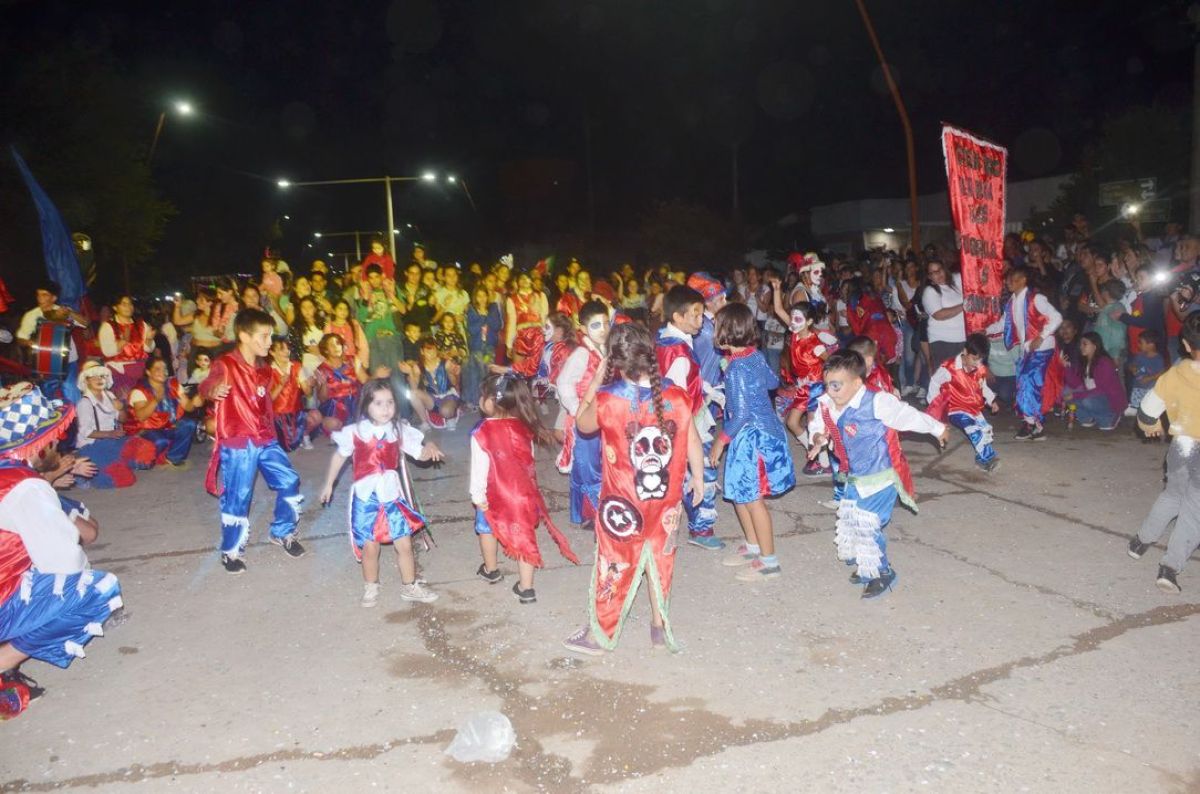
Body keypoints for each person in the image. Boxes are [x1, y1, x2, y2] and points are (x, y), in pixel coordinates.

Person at [561, 322, 704, 655]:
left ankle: (600, 635)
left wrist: (596, 380)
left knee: (614, 563)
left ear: (615, 361)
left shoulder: (608, 399)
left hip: (622, 506)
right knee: (661, 558)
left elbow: (582, 424)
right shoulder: (676, 396)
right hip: (666, 502)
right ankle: (658, 627)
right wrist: (698, 478)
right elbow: (692, 439)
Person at [0, 381, 123, 715]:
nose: (59, 442)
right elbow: (65, 563)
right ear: (37, 444)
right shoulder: (26, 487)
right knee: (95, 589)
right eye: (53, 436)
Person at [808, 350, 948, 598]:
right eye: (827, 384)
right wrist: (818, 437)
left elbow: (908, 416)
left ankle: (883, 572)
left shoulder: (877, 402)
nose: (831, 391)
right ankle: (867, 565)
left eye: (837, 385)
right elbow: (818, 424)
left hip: (880, 476)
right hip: (854, 475)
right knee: (852, 517)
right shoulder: (827, 402)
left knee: (867, 524)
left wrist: (937, 429)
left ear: (857, 383)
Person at [319, 379, 443, 607]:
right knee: (370, 547)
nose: (386, 408)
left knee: (404, 544)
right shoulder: (355, 432)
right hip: (365, 499)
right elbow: (339, 456)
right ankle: (371, 585)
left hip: (392, 496)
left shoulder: (398, 430)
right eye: (378, 403)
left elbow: (419, 453)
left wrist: (430, 447)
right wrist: (329, 484)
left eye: (390, 402)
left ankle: (409, 586)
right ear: (366, 405)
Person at [199, 308, 306, 573]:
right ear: (244, 336)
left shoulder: (264, 369)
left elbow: (264, 402)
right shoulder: (225, 364)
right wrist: (213, 390)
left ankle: (282, 531)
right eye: (264, 336)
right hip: (238, 439)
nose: (270, 342)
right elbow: (206, 386)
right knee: (238, 495)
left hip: (264, 437)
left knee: (289, 480)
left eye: (270, 336)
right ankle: (231, 551)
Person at [471, 373, 579, 604]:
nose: (480, 399)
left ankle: (491, 570)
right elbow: (528, 461)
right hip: (522, 494)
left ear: (492, 401)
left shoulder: (481, 432)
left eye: (483, 395)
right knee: (525, 536)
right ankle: (526, 588)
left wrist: (477, 496)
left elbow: (480, 468)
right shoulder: (523, 427)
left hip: (493, 495)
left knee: (486, 530)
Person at [708, 304, 796, 581]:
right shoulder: (752, 355)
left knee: (753, 498)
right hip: (753, 432)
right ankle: (752, 546)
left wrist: (720, 442)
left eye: (716, 326)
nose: (713, 331)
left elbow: (742, 413)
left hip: (752, 436)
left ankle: (769, 562)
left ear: (727, 331)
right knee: (738, 492)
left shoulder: (737, 367)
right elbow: (772, 381)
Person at [1128, 313, 1200, 593]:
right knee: (1195, 510)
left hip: (1182, 447)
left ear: (1185, 344)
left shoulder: (1175, 375)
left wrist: (1152, 426)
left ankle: (1140, 541)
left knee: (1172, 496)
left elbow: (1146, 412)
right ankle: (1169, 567)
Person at [655, 285, 722, 550]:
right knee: (701, 470)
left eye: (701, 314)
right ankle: (701, 528)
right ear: (677, 317)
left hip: (679, 416)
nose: (700, 320)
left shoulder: (666, 339)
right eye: (695, 314)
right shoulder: (678, 351)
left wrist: (706, 389)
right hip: (686, 421)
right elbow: (677, 396)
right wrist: (688, 431)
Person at [555, 300, 609, 527]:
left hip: (600, 415)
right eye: (596, 325)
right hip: (585, 416)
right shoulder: (581, 353)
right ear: (584, 329)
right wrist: (577, 409)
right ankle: (595, 514)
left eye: (606, 323)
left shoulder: (605, 350)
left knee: (592, 463)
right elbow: (563, 382)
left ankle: (583, 513)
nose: (603, 329)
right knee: (589, 466)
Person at [926, 334, 1000, 472]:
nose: (977, 363)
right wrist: (936, 406)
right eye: (974, 359)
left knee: (984, 431)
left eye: (981, 359)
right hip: (955, 409)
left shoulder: (979, 368)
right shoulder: (949, 368)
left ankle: (981, 459)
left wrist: (992, 400)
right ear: (965, 351)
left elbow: (983, 387)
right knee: (973, 429)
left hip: (973, 408)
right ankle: (988, 459)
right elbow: (934, 382)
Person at [1004, 266, 1063, 441]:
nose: (1008, 282)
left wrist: (1041, 336)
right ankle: (1034, 424)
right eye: (1007, 279)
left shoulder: (1036, 298)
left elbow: (1057, 317)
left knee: (1028, 381)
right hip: (1028, 349)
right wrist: (985, 329)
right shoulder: (1011, 302)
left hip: (1042, 347)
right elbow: (1004, 324)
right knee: (1024, 383)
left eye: (1013, 278)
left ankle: (1032, 424)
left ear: (1023, 280)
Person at [72, 361, 151, 487]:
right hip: (92, 446)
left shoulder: (109, 395)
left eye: (102, 376)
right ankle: (84, 474)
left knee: (145, 449)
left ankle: (124, 462)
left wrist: (121, 408)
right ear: (86, 381)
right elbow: (86, 432)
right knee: (123, 479)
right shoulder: (84, 403)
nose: (99, 379)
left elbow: (123, 420)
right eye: (94, 377)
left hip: (111, 441)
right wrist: (110, 433)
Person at [124, 358, 201, 469]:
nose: (163, 372)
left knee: (189, 424)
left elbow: (188, 407)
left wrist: (194, 402)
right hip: (147, 429)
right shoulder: (139, 390)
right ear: (148, 372)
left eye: (165, 368)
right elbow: (141, 417)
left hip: (169, 426)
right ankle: (142, 459)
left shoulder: (173, 384)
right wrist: (156, 400)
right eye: (157, 369)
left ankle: (173, 457)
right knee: (160, 442)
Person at [1062, 332, 1126, 431]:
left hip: (1109, 400)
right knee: (1066, 392)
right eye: (1081, 344)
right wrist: (1066, 367)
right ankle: (1088, 417)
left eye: (1085, 344)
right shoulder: (1085, 361)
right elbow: (1076, 384)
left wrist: (1074, 395)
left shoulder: (1104, 363)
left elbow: (1102, 390)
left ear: (1094, 346)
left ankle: (1112, 416)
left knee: (1086, 400)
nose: (1081, 347)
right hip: (1095, 397)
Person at [98, 295, 155, 399]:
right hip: (119, 372)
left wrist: (149, 339)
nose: (128, 307)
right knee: (124, 401)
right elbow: (107, 352)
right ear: (115, 307)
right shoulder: (108, 326)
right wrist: (123, 341)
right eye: (124, 304)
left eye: (130, 304)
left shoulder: (141, 324)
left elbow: (148, 349)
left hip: (140, 369)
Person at [315, 333, 369, 435]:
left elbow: (365, 380)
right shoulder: (321, 369)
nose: (337, 347)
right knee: (336, 425)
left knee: (366, 426)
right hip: (335, 406)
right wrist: (324, 383)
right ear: (326, 350)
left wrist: (376, 375)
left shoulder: (353, 360)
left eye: (338, 343)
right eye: (332, 345)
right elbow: (322, 399)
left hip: (356, 401)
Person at [269, 338, 317, 452]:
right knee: (284, 446)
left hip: (296, 413)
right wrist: (281, 385)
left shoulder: (296, 366)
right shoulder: (269, 370)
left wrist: (310, 385)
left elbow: (308, 394)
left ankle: (304, 435)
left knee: (314, 416)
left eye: (288, 348)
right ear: (272, 352)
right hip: (277, 416)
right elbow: (269, 399)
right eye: (282, 349)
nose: (287, 352)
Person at [920, 261, 966, 374]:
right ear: (929, 277)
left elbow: (970, 276)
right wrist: (963, 306)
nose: (938, 273)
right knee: (944, 379)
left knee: (961, 378)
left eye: (939, 269)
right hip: (943, 342)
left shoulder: (955, 282)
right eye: (933, 272)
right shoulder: (930, 291)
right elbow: (939, 315)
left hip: (963, 339)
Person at [464, 286, 504, 406]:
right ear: (475, 298)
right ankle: (477, 399)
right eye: (479, 296)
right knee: (476, 372)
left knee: (486, 370)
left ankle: (487, 398)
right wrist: (483, 318)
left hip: (489, 345)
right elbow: (471, 329)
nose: (482, 298)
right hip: (476, 345)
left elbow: (497, 325)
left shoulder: (493, 307)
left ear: (487, 296)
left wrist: (484, 317)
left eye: (484, 295)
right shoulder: (471, 310)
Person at [1127, 330, 1166, 417]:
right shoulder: (1139, 356)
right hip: (1138, 387)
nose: (1138, 345)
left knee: (1148, 407)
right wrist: (1132, 368)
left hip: (1150, 389)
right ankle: (1134, 410)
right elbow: (1132, 365)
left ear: (1151, 345)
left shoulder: (1158, 359)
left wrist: (1148, 378)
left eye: (1141, 343)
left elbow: (1161, 373)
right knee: (1136, 405)